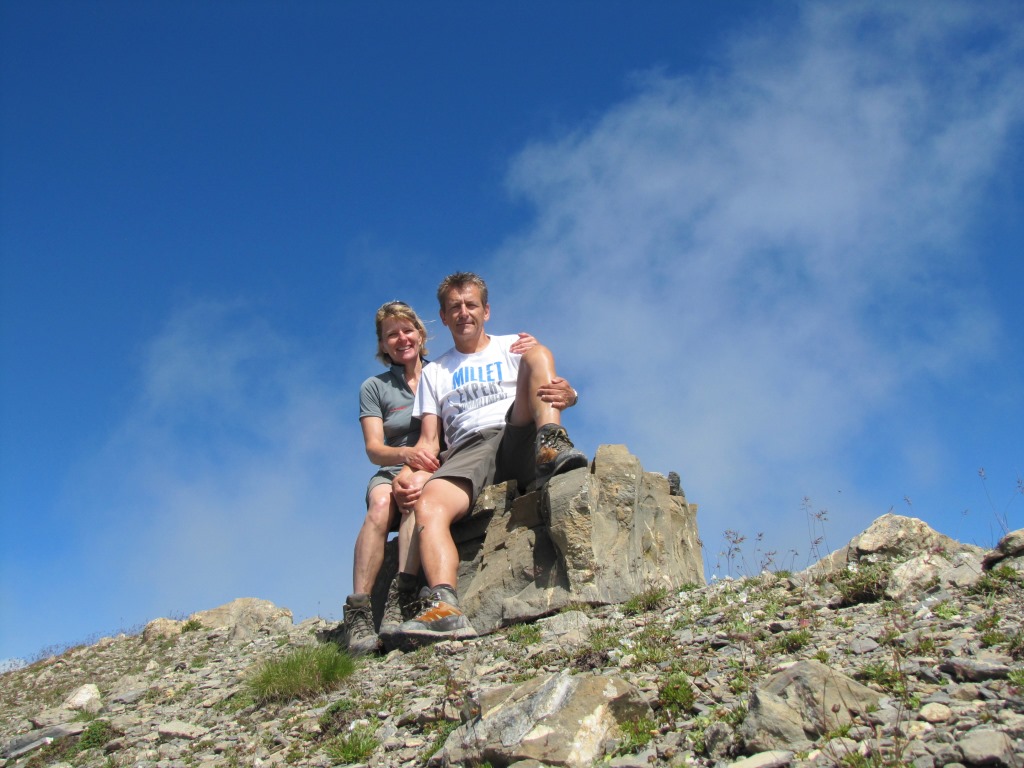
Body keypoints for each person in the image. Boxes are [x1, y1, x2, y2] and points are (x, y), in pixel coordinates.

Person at [345, 300, 550, 654]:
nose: (401, 339)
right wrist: (406, 458)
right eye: (391, 335)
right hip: (396, 463)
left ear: (421, 334)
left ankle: (400, 597)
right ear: (382, 344)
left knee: (416, 499)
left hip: (440, 461)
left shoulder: (441, 370)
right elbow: (374, 448)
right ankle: (359, 612)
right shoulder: (375, 387)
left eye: (407, 330)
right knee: (380, 504)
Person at [391, 272, 586, 644]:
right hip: (468, 449)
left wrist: (571, 394)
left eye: (471, 305)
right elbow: (429, 440)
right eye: (454, 307)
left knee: (538, 353)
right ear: (443, 317)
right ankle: (445, 606)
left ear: (486, 310)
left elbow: (549, 384)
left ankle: (551, 443)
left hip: (516, 432)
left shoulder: (513, 346)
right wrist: (406, 472)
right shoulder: (434, 372)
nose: (463, 313)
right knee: (429, 504)